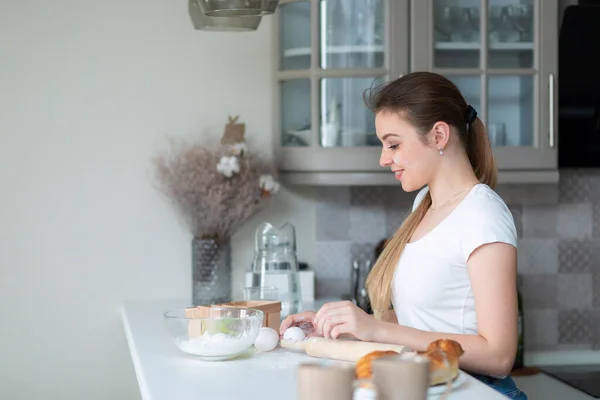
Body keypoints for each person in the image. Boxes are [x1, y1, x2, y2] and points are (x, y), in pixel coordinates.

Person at [279, 72, 527, 399]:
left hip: (476, 391)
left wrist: (374, 328)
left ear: (439, 135)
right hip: (427, 386)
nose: (384, 159)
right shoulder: (423, 205)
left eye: (394, 144)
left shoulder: (483, 216)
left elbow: (499, 356)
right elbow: (415, 324)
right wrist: (343, 330)